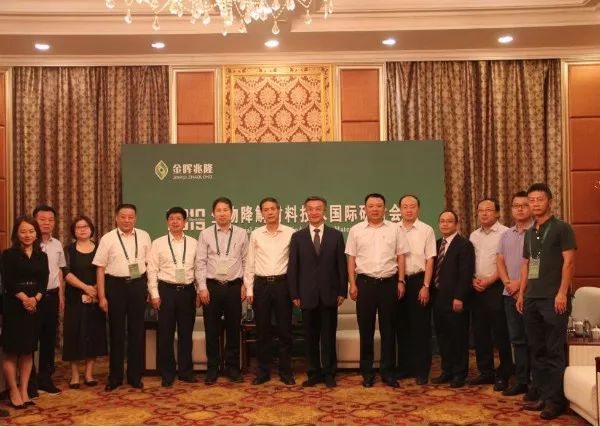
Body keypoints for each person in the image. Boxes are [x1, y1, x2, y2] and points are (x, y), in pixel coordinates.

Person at [517, 183, 576, 420]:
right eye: (531, 200)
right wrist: (522, 293)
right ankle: (542, 395)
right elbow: (526, 264)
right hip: (531, 298)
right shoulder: (530, 232)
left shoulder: (562, 228)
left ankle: (555, 401)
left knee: (554, 351)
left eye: (539, 199)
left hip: (554, 299)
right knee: (537, 350)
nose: (535, 204)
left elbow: (569, 262)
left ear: (549, 201)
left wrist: (562, 292)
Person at [346, 193, 409, 388]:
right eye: (371, 206)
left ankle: (388, 372)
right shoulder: (356, 230)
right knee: (365, 330)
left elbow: (401, 257)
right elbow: (351, 260)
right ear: (365, 208)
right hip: (364, 284)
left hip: (389, 284)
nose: (375, 209)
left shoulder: (395, 229)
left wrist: (401, 281)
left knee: (389, 330)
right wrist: (352, 284)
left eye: (379, 206)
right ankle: (367, 372)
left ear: (385, 208)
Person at [288, 196, 348, 388]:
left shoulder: (335, 235)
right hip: (306, 295)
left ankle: (329, 373)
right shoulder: (297, 237)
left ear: (324, 211)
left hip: (330, 294)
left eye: (318, 208)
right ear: (305, 211)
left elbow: (341, 266)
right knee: (310, 338)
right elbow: (293, 268)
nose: (314, 212)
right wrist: (294, 294)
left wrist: (342, 291)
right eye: (310, 209)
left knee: (328, 337)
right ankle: (313, 373)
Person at [94, 203, 152, 391]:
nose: (127, 220)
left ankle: (135, 376)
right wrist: (102, 296)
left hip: (138, 285)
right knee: (116, 333)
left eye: (130, 217)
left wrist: (149, 290)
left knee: (137, 332)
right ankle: (115, 377)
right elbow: (100, 269)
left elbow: (150, 265)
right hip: (115, 286)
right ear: (116, 218)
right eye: (123, 217)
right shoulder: (107, 238)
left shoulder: (144, 236)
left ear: (135, 218)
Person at [195, 197, 248, 385]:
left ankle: (232, 368)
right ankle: (213, 368)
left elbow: (246, 261)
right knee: (211, 330)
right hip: (212, 287)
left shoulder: (241, 233)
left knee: (233, 329)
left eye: (225, 210)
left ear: (232, 212)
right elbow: (200, 262)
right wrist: (202, 288)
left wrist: (245, 285)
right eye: (218, 210)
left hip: (234, 287)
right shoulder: (205, 234)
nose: (222, 213)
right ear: (213, 213)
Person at [244, 197, 295, 386]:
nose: (270, 212)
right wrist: (249, 288)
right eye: (266, 209)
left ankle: (286, 372)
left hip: (283, 285)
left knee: (285, 331)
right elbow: (250, 262)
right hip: (261, 285)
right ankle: (263, 372)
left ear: (279, 210)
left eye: (273, 208)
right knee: (262, 331)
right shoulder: (256, 234)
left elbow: (295, 263)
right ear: (261, 213)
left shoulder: (290, 233)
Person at [147, 207, 198, 387]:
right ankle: (167, 373)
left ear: (185, 222)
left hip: (187, 292)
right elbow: (152, 270)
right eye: (172, 219)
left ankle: (185, 372)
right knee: (166, 334)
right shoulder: (158, 243)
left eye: (179, 218)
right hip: (166, 291)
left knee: (186, 333)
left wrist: (198, 291)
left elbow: (198, 269)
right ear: (167, 222)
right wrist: (154, 294)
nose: (175, 222)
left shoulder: (194, 243)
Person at [1, 216, 48, 409]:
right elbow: (8, 281)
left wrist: (35, 299)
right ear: (16, 234)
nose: (27, 235)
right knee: (12, 352)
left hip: (34, 307)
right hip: (14, 306)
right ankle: (13, 390)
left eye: (31, 231)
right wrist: (25, 299)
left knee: (28, 351)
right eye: (23, 231)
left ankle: (24, 390)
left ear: (36, 233)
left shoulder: (41, 256)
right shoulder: (8, 254)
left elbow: (44, 281)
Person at [468, 198, 512, 391]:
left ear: (497, 213)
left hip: (497, 286)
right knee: (480, 332)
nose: (484, 213)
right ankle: (485, 371)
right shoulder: (473, 235)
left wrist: (490, 280)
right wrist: (473, 279)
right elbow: (470, 260)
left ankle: (504, 372)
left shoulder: (506, 233)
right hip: (476, 287)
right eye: (481, 210)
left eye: (488, 210)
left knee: (500, 332)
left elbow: (507, 262)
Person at [61, 215, 107, 389]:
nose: (82, 230)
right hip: (74, 297)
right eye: (78, 227)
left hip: (95, 296)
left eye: (85, 226)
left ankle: (88, 373)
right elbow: (66, 273)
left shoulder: (99, 248)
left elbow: (104, 270)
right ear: (74, 231)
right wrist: (85, 288)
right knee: (73, 334)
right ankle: (74, 374)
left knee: (93, 334)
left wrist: (95, 290)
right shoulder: (68, 250)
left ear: (91, 229)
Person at [395, 195, 436, 385]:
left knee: (421, 328)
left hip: (419, 281)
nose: (408, 210)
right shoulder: (393, 229)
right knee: (401, 327)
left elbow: (430, 260)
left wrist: (426, 286)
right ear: (399, 209)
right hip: (398, 282)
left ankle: (421, 371)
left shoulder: (426, 230)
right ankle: (405, 368)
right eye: (405, 206)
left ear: (418, 208)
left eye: (412, 206)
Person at [431, 210, 474, 388]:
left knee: (458, 338)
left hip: (455, 299)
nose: (445, 224)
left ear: (456, 224)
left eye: (449, 221)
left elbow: (466, 274)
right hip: (438, 299)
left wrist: (459, 297)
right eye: (442, 221)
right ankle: (446, 370)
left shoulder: (464, 245)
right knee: (443, 337)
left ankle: (459, 374)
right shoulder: (436, 244)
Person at [496, 191, 534, 397]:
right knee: (517, 339)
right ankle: (521, 380)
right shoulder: (506, 235)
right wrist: (508, 284)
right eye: (516, 206)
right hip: (509, 293)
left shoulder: (537, 232)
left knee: (533, 339)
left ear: (531, 208)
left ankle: (535, 382)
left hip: (531, 294)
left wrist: (520, 284)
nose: (520, 209)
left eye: (524, 205)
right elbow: (500, 261)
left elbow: (536, 264)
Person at [30, 205, 66, 396]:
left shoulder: (57, 244)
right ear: (34, 220)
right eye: (42, 219)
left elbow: (59, 271)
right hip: (33, 298)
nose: (46, 223)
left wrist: (61, 296)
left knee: (48, 338)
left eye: (50, 220)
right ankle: (29, 381)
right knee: (30, 339)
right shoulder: (29, 243)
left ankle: (45, 378)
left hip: (52, 296)